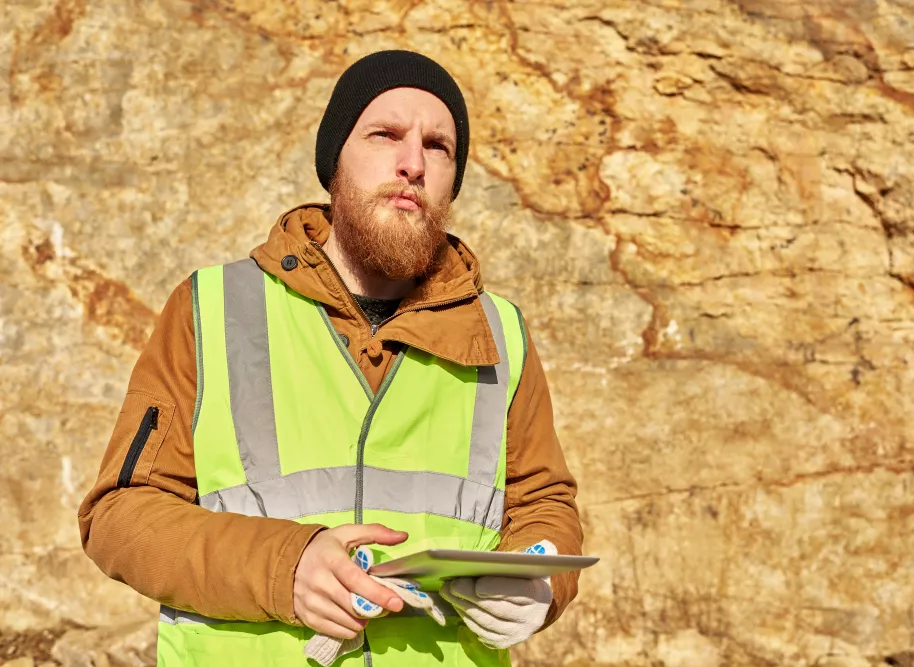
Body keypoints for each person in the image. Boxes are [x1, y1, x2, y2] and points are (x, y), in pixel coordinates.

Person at [78, 49, 583, 667]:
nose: (412, 164)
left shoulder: (501, 332)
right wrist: (282, 569)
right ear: (334, 163)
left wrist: (540, 582)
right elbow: (120, 516)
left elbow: (543, 506)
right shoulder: (211, 308)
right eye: (385, 135)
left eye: (438, 146)